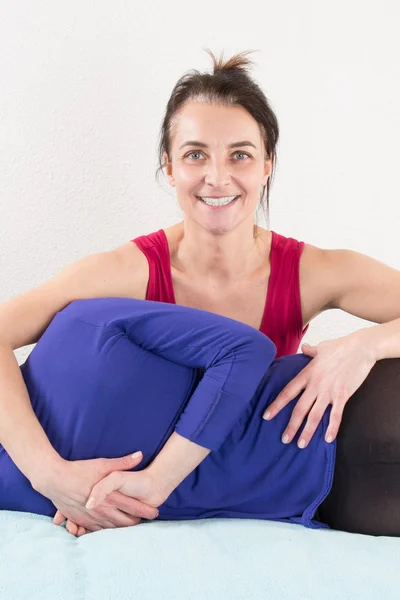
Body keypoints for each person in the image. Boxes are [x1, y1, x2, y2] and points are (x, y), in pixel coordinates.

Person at [1, 48, 400, 537]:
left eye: (240, 155)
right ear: (169, 167)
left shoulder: (309, 271)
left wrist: (366, 345)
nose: (218, 177)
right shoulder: (129, 271)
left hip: (294, 464)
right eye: (195, 155)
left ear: (267, 164)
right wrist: (51, 477)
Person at [2, 296, 400, 539]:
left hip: (354, 408)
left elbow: (246, 350)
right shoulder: (15, 491)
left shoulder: (80, 329)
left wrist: (158, 481)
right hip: (335, 503)